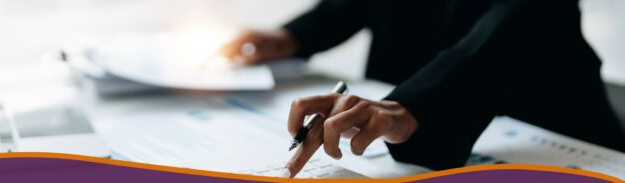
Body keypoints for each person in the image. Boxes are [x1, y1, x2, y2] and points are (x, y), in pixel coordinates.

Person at [220, 0, 625, 178]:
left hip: (555, 138)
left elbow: (519, 21)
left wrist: (411, 106)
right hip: (405, 135)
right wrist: (292, 36)